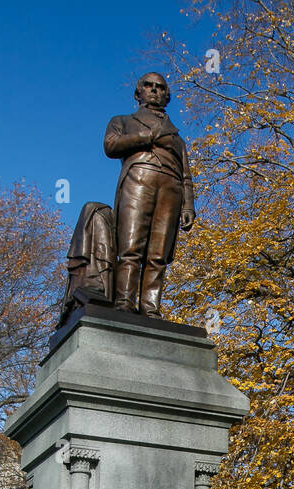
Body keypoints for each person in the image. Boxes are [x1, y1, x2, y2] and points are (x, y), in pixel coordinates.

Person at [103, 72, 195, 316]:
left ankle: (150, 308)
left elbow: (186, 174)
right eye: (148, 85)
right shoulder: (122, 121)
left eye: (160, 87)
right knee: (131, 246)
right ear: (138, 93)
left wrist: (188, 206)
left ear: (167, 96)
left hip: (171, 189)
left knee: (159, 253)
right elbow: (110, 146)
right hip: (138, 180)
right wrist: (147, 137)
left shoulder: (177, 139)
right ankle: (124, 303)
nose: (154, 90)